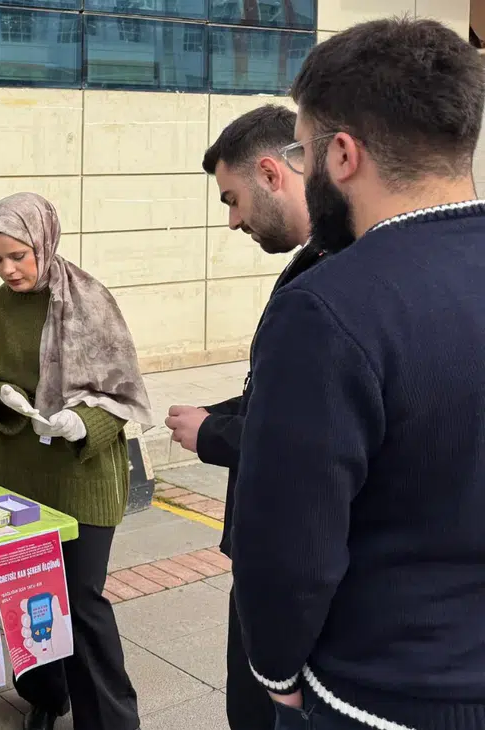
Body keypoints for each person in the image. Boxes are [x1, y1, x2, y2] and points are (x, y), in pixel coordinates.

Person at [232, 18, 485, 729]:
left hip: (382, 692)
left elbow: (289, 542)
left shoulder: (328, 307)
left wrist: (276, 670)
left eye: (302, 150)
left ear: (342, 155)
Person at [161, 104, 323, 730]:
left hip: (291, 573)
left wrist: (212, 433)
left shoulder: (331, 283)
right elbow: (282, 398)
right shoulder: (316, 263)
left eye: (233, 199)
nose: (232, 221)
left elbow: (304, 438)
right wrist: (220, 413)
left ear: (272, 173)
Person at [0, 192, 150, 730]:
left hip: (82, 475)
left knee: (82, 600)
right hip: (14, 476)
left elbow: (123, 393)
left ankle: (110, 720)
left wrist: (81, 422)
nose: (8, 269)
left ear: (44, 242)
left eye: (18, 256)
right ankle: (46, 695)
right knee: (27, 594)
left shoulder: (91, 302)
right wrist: (0, 397)